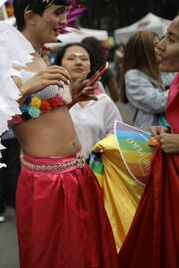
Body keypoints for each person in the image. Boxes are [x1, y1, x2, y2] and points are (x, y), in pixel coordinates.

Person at [10, 0, 118, 267]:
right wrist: (26, 89)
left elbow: (30, 115)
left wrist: (69, 101)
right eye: (58, 12)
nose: (64, 20)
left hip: (75, 173)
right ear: (30, 17)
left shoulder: (38, 56)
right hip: (48, 182)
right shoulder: (6, 59)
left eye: (65, 12)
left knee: (84, 255)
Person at [119, 16, 179, 267]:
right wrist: (167, 130)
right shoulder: (172, 78)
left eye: (171, 39)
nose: (161, 46)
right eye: (163, 37)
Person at [54, 43, 122, 155]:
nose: (78, 62)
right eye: (71, 58)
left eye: (84, 59)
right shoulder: (49, 97)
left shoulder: (103, 100)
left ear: (90, 67)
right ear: (59, 64)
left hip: (95, 169)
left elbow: (117, 136)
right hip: (58, 169)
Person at [120, 31, 175, 131]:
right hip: (149, 138)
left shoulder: (165, 70)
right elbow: (155, 103)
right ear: (142, 51)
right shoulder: (133, 75)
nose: (161, 47)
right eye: (155, 45)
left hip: (169, 131)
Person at [82, 36, 120, 101]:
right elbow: (115, 97)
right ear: (99, 49)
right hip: (96, 105)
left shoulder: (76, 67)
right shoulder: (104, 69)